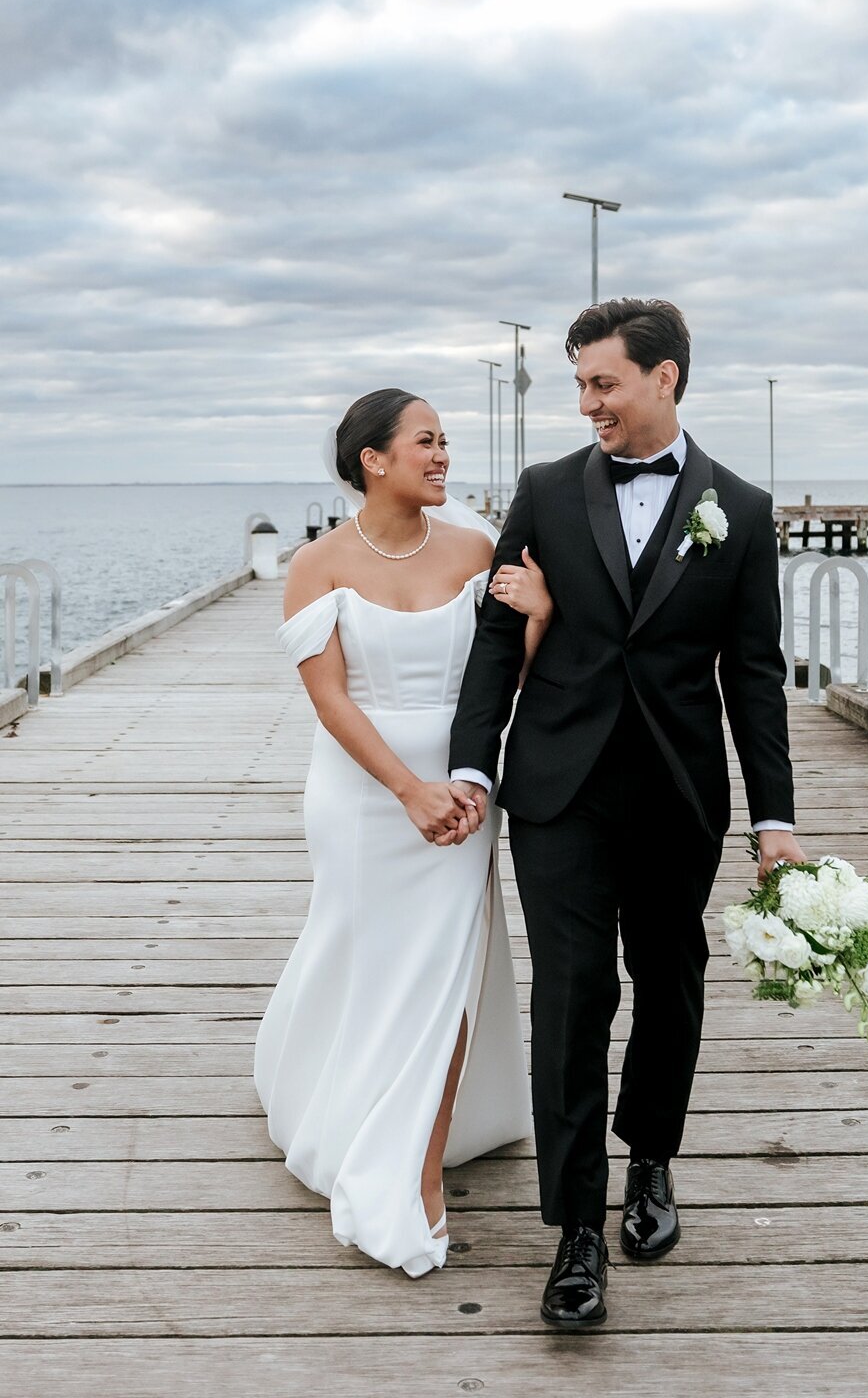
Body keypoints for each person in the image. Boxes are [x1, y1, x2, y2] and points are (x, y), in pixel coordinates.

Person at [449, 299, 805, 1328]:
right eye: (579, 384)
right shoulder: (545, 491)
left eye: (602, 382)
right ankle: (574, 1227)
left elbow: (754, 676)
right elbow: (496, 635)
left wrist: (774, 818)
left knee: (670, 977)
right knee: (571, 995)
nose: (586, 403)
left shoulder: (741, 509)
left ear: (665, 377)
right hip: (558, 785)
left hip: (679, 791)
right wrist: (473, 764)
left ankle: (650, 1157)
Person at [254, 389, 545, 1278]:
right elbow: (331, 698)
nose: (442, 454)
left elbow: (505, 673)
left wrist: (538, 613)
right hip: (363, 794)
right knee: (365, 952)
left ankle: (419, 1160)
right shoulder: (317, 564)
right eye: (426, 440)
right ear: (373, 460)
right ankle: (341, 1099)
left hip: (463, 787)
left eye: (445, 440)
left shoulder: (474, 550)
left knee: (448, 964)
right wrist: (406, 790)